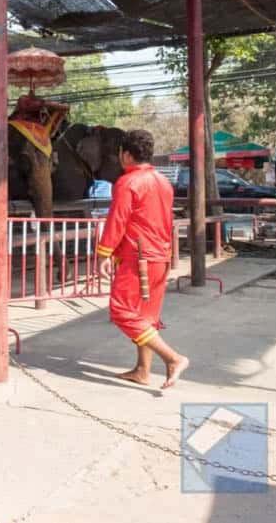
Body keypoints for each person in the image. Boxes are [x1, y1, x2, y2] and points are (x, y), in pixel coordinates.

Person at [97, 129, 189, 390]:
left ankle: (173, 359)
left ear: (126, 154)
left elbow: (117, 220)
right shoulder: (163, 181)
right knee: (145, 316)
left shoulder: (128, 182)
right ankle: (142, 370)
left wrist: (104, 253)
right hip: (159, 255)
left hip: (138, 257)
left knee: (121, 310)